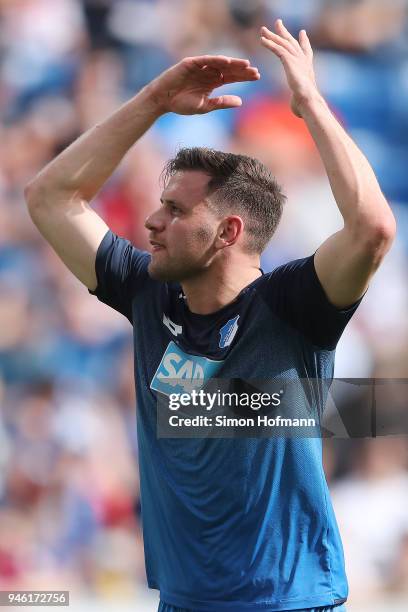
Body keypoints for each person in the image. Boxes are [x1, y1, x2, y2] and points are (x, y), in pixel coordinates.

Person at [25, 19, 395, 612]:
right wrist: (151, 101)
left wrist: (309, 104)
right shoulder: (147, 291)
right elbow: (50, 198)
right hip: (184, 602)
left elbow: (373, 229)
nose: (151, 222)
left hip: (289, 603)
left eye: (174, 210)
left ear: (227, 232)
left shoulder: (292, 305)